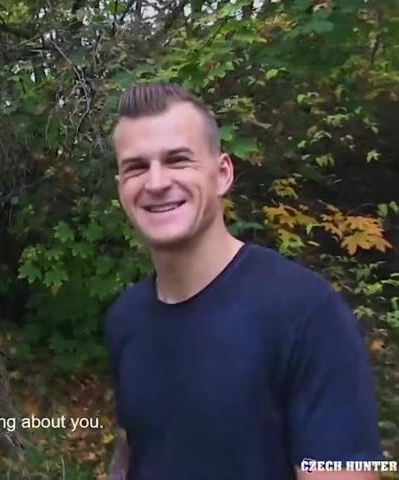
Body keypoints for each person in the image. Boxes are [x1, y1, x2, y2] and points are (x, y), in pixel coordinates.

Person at [103, 83, 383, 480]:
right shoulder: (126, 319)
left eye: (178, 160)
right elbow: (133, 451)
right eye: (136, 167)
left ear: (222, 175)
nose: (156, 182)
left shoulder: (306, 314)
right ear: (121, 188)